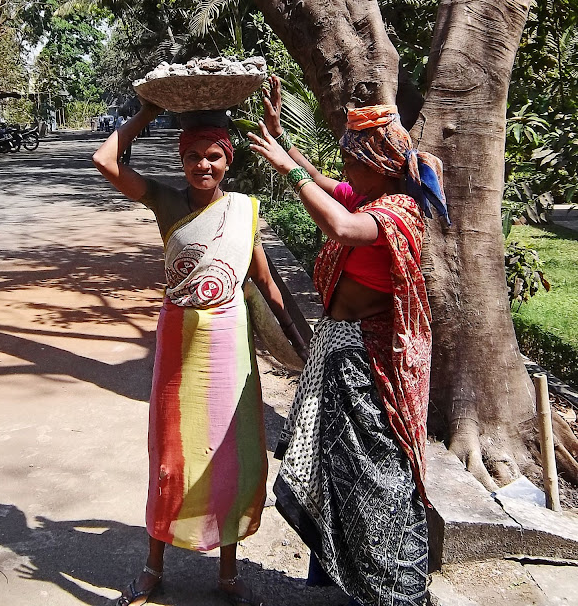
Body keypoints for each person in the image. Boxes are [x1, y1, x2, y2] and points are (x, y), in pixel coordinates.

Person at [93, 101, 307, 606]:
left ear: (228, 160)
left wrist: (304, 343)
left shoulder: (244, 210)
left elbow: (265, 281)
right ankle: (152, 567)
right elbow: (105, 162)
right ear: (180, 159)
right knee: (171, 457)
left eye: (213, 156)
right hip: (179, 346)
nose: (203, 166)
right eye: (193, 157)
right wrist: (145, 112)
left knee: (230, 456)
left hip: (230, 347)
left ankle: (228, 574)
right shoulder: (167, 202)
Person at [248, 76, 451, 606]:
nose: (342, 169)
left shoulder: (398, 211)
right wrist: (282, 138)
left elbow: (340, 227)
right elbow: (322, 184)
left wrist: (287, 169)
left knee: (376, 475)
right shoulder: (366, 195)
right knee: (339, 470)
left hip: (371, 362)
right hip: (339, 348)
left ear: (378, 163)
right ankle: (353, 579)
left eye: (350, 160)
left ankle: (398, 590)